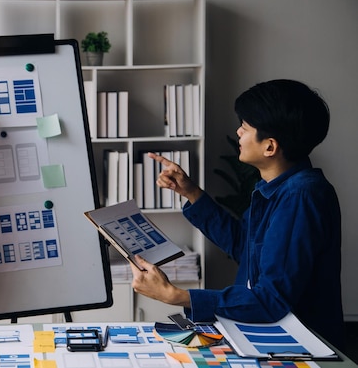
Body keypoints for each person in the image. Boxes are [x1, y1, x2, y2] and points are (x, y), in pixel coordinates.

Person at [131, 79, 345, 350]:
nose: (238, 133)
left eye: (244, 128)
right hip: (267, 335)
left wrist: (177, 296)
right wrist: (191, 192)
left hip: (297, 347)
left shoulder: (300, 196)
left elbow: (271, 300)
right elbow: (244, 246)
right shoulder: (273, 188)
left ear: (270, 147)